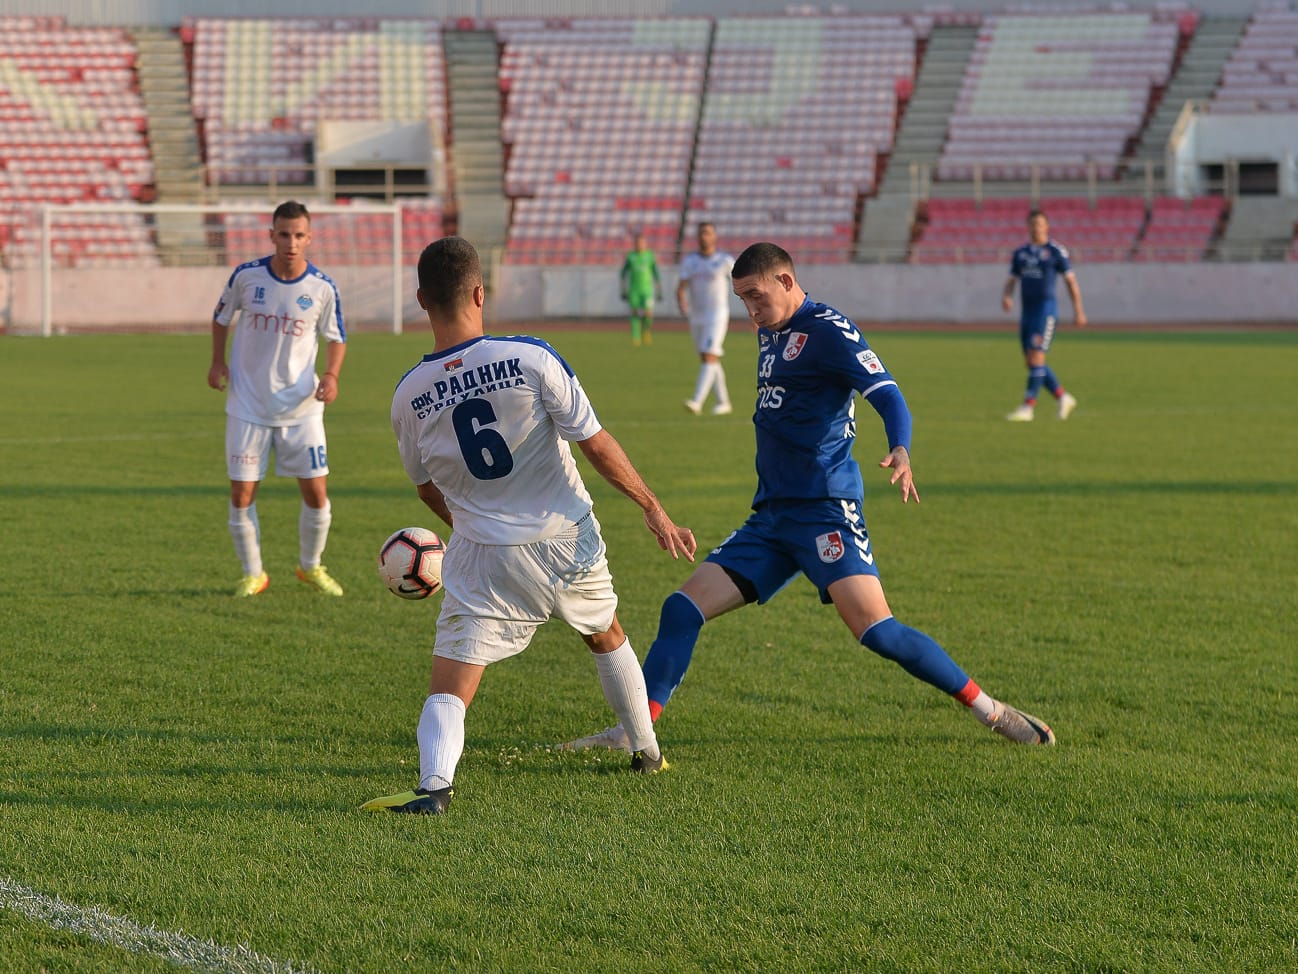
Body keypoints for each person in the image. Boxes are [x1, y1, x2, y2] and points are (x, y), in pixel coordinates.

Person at [566, 242, 1056, 753]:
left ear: (785, 281)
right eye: (742, 301)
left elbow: (887, 393)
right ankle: (634, 733)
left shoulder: (828, 330)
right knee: (682, 608)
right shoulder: (769, 331)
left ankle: (991, 711)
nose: (751, 310)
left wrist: (901, 448)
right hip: (773, 517)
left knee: (877, 632)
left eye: (756, 296)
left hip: (825, 510)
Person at [361, 236, 697, 816]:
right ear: (479, 292)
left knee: (452, 681)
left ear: (420, 299)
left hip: (486, 554)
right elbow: (594, 443)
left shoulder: (408, 396)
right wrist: (652, 506)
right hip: (566, 538)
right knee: (606, 633)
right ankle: (647, 751)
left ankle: (434, 787)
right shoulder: (531, 357)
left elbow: (424, 487)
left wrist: (466, 526)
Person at [207, 200, 347, 598]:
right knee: (242, 494)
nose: (291, 242)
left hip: (302, 408)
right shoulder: (247, 277)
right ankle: (254, 573)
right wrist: (217, 362)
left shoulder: (322, 287)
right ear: (272, 235)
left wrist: (332, 376)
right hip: (248, 406)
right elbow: (220, 319)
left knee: (316, 493)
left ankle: (311, 566)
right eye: (283, 234)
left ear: (309, 238)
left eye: (298, 235)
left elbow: (337, 339)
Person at [1001, 209, 1086, 422]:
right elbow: (1012, 279)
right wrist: (1007, 296)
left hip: (1045, 311)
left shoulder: (1056, 251)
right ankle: (1062, 396)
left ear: (1047, 226)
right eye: (1032, 224)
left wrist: (1079, 310)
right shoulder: (1021, 253)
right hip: (1027, 311)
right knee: (1031, 362)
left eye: (1039, 224)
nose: (1036, 228)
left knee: (1037, 357)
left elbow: (1070, 281)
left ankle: (1028, 407)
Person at [676, 222, 735, 416]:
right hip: (697, 315)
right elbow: (682, 285)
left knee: (709, 355)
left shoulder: (725, 260)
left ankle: (697, 401)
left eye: (708, 233)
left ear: (715, 237)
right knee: (708, 357)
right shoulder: (691, 261)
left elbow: (740, 282)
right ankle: (724, 402)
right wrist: (681, 301)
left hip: (717, 314)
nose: (704, 237)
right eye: (702, 233)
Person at [620, 232, 661, 346]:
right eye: (638, 242)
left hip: (647, 290)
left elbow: (656, 273)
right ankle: (635, 337)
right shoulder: (631, 256)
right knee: (635, 313)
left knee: (648, 314)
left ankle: (646, 331)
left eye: (642, 242)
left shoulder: (650, 256)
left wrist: (659, 289)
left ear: (646, 244)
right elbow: (623, 273)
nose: (640, 244)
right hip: (634, 290)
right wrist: (623, 290)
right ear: (635, 244)